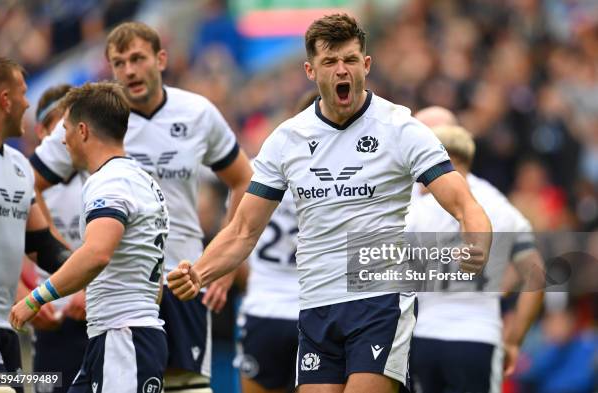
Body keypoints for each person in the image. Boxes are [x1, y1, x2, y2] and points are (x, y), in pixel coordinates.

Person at [168, 14, 492, 393]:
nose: (343, 71)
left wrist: (478, 242)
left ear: (366, 65)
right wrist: (200, 272)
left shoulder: (400, 128)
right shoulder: (287, 140)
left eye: (351, 60)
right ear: (310, 70)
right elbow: (243, 230)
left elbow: (463, 202)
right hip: (316, 303)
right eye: (330, 62)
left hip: (379, 300)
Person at [29, 22, 253, 392]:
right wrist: (67, 264)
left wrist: (228, 264)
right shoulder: (91, 120)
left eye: (137, 58)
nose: (129, 70)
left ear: (161, 59)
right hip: (116, 292)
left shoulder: (197, 112)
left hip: (184, 278)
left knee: (188, 387)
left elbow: (243, 179)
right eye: (119, 63)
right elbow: (28, 184)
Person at [9, 82, 170, 393]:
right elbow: (156, 285)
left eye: (65, 131)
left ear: (82, 131)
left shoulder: (109, 181)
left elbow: (97, 253)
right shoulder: (142, 180)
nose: (63, 142)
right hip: (119, 335)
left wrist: (35, 298)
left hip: (123, 338)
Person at [406, 121, 545, 393]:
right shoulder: (498, 205)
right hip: (477, 336)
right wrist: (514, 339)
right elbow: (536, 275)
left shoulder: (417, 207)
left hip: (423, 337)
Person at [0, 55, 70, 393]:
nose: (27, 102)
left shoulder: (20, 166)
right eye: (22, 93)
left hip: (6, 329)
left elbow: (43, 246)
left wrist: (96, 266)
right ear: (5, 100)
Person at [234, 92, 318, 393]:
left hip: (263, 308)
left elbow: (235, 237)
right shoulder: (345, 176)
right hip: (317, 311)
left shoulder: (257, 168)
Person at [30, 84, 89, 393]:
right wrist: (27, 297)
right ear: (42, 130)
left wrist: (90, 290)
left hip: (95, 317)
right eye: (59, 124)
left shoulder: (99, 178)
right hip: (48, 322)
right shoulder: (22, 182)